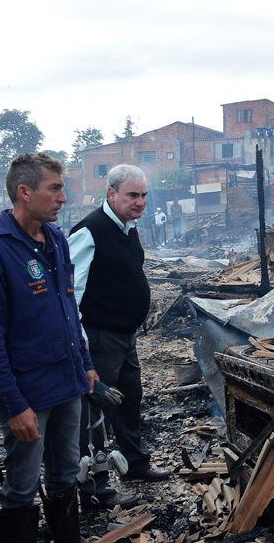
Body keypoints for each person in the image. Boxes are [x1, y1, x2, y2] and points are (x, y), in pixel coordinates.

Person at [0, 153, 96, 542]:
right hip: (27, 391)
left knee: (65, 473)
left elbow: (68, 305)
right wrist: (13, 404)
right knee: (21, 485)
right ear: (25, 192)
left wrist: (85, 362)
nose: (63, 198)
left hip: (67, 379)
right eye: (54, 188)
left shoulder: (55, 238)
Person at [69, 165, 171, 511]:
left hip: (124, 338)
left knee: (129, 401)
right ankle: (95, 490)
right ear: (111, 193)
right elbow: (70, 294)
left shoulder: (129, 229)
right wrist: (81, 347)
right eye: (132, 195)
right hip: (98, 339)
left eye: (143, 195)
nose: (140, 202)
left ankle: (136, 465)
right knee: (95, 412)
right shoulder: (89, 231)